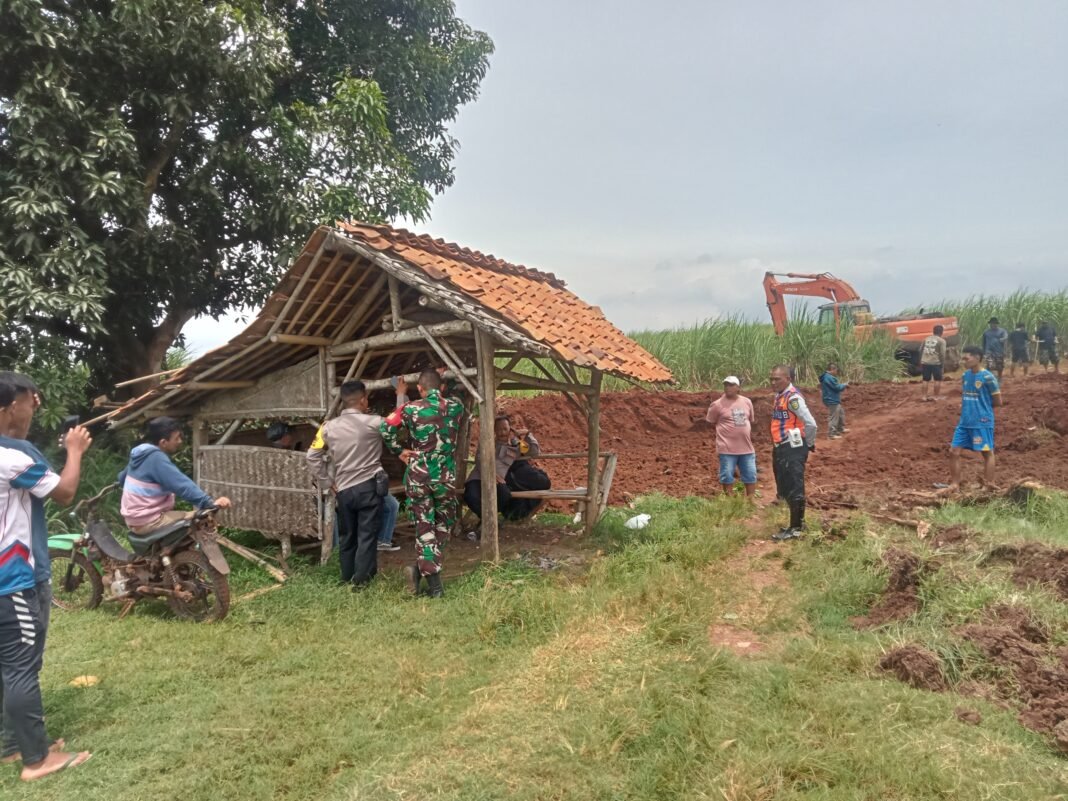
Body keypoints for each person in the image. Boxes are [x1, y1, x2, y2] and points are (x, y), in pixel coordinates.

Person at [0, 376, 93, 781]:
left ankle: (12, 744)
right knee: (22, 666)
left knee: (7, 666)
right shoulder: (11, 458)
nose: (32, 408)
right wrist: (74, 450)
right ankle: (37, 761)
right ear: (6, 410)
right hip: (12, 581)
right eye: (26, 403)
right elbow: (66, 491)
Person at [307, 380, 405, 589]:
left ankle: (347, 577)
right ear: (362, 400)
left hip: (343, 491)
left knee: (347, 536)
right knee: (367, 535)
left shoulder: (327, 427)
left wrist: (327, 481)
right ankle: (362, 582)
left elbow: (312, 455)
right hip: (368, 487)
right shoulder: (374, 422)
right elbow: (396, 421)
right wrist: (401, 394)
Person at [381, 369, 465, 598]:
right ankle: (435, 587)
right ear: (443, 387)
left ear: (419, 388)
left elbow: (386, 427)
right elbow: (459, 392)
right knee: (443, 524)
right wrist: (446, 376)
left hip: (418, 475)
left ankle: (419, 570)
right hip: (444, 478)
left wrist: (399, 450)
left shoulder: (410, 409)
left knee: (424, 526)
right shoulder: (455, 407)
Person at [118, 417, 232, 534]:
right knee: (197, 518)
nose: (180, 441)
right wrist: (208, 503)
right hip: (148, 521)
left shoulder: (140, 453)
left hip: (134, 519)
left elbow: (122, 478)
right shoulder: (156, 458)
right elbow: (181, 485)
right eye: (176, 438)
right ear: (163, 442)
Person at [464, 415, 549, 530]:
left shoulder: (515, 447)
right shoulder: (486, 442)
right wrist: (492, 475)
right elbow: (479, 461)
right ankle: (488, 520)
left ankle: (487, 520)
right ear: (494, 430)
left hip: (498, 482)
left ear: (510, 429)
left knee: (504, 495)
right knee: (471, 495)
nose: (502, 432)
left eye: (505, 429)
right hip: (479, 477)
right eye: (499, 429)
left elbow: (534, 452)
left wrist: (527, 434)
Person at [768, 365, 817, 541]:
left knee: (795, 485)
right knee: (786, 485)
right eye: (771, 379)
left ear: (788, 379)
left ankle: (796, 529)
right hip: (782, 445)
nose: (773, 382)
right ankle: (796, 523)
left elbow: (811, 423)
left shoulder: (793, 398)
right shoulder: (780, 396)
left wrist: (809, 444)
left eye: (777, 379)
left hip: (793, 447)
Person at [948, 345, 1002, 491]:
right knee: (953, 452)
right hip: (965, 422)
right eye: (963, 358)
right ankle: (955, 484)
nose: (964, 361)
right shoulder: (965, 375)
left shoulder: (988, 377)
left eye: (966, 358)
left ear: (977, 358)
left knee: (986, 452)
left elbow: (998, 402)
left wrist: (981, 410)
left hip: (982, 422)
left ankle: (988, 485)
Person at [704, 376, 756, 498]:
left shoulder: (747, 402)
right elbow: (710, 422)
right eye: (726, 385)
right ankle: (729, 501)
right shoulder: (717, 405)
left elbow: (750, 420)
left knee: (750, 474)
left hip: (746, 448)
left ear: (738, 388)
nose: (728, 387)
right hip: (726, 448)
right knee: (727, 475)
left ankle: (751, 500)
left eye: (731, 385)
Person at [818, 363, 848, 439]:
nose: (836, 372)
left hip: (832, 398)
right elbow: (837, 387)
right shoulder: (828, 378)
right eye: (836, 370)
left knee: (840, 413)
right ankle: (831, 434)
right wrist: (844, 385)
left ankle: (840, 429)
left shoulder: (827, 377)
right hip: (831, 399)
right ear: (832, 370)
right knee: (834, 416)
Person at [920, 324, 948, 401]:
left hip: (925, 362)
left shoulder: (926, 339)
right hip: (935, 363)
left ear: (933, 331)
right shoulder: (942, 341)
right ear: (941, 332)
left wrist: (922, 359)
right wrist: (942, 364)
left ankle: (924, 396)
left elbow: (921, 349)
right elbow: (942, 354)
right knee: (937, 380)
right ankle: (936, 397)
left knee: (925, 379)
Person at [981, 317, 1008, 381]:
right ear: (990, 324)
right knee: (990, 365)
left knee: (1000, 366)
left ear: (996, 324)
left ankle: (1000, 377)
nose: (993, 325)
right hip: (989, 351)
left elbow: (1006, 337)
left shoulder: (1002, 331)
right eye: (991, 323)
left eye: (994, 323)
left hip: (999, 351)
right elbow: (983, 342)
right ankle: (990, 378)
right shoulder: (986, 332)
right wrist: (983, 352)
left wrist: (1002, 339)